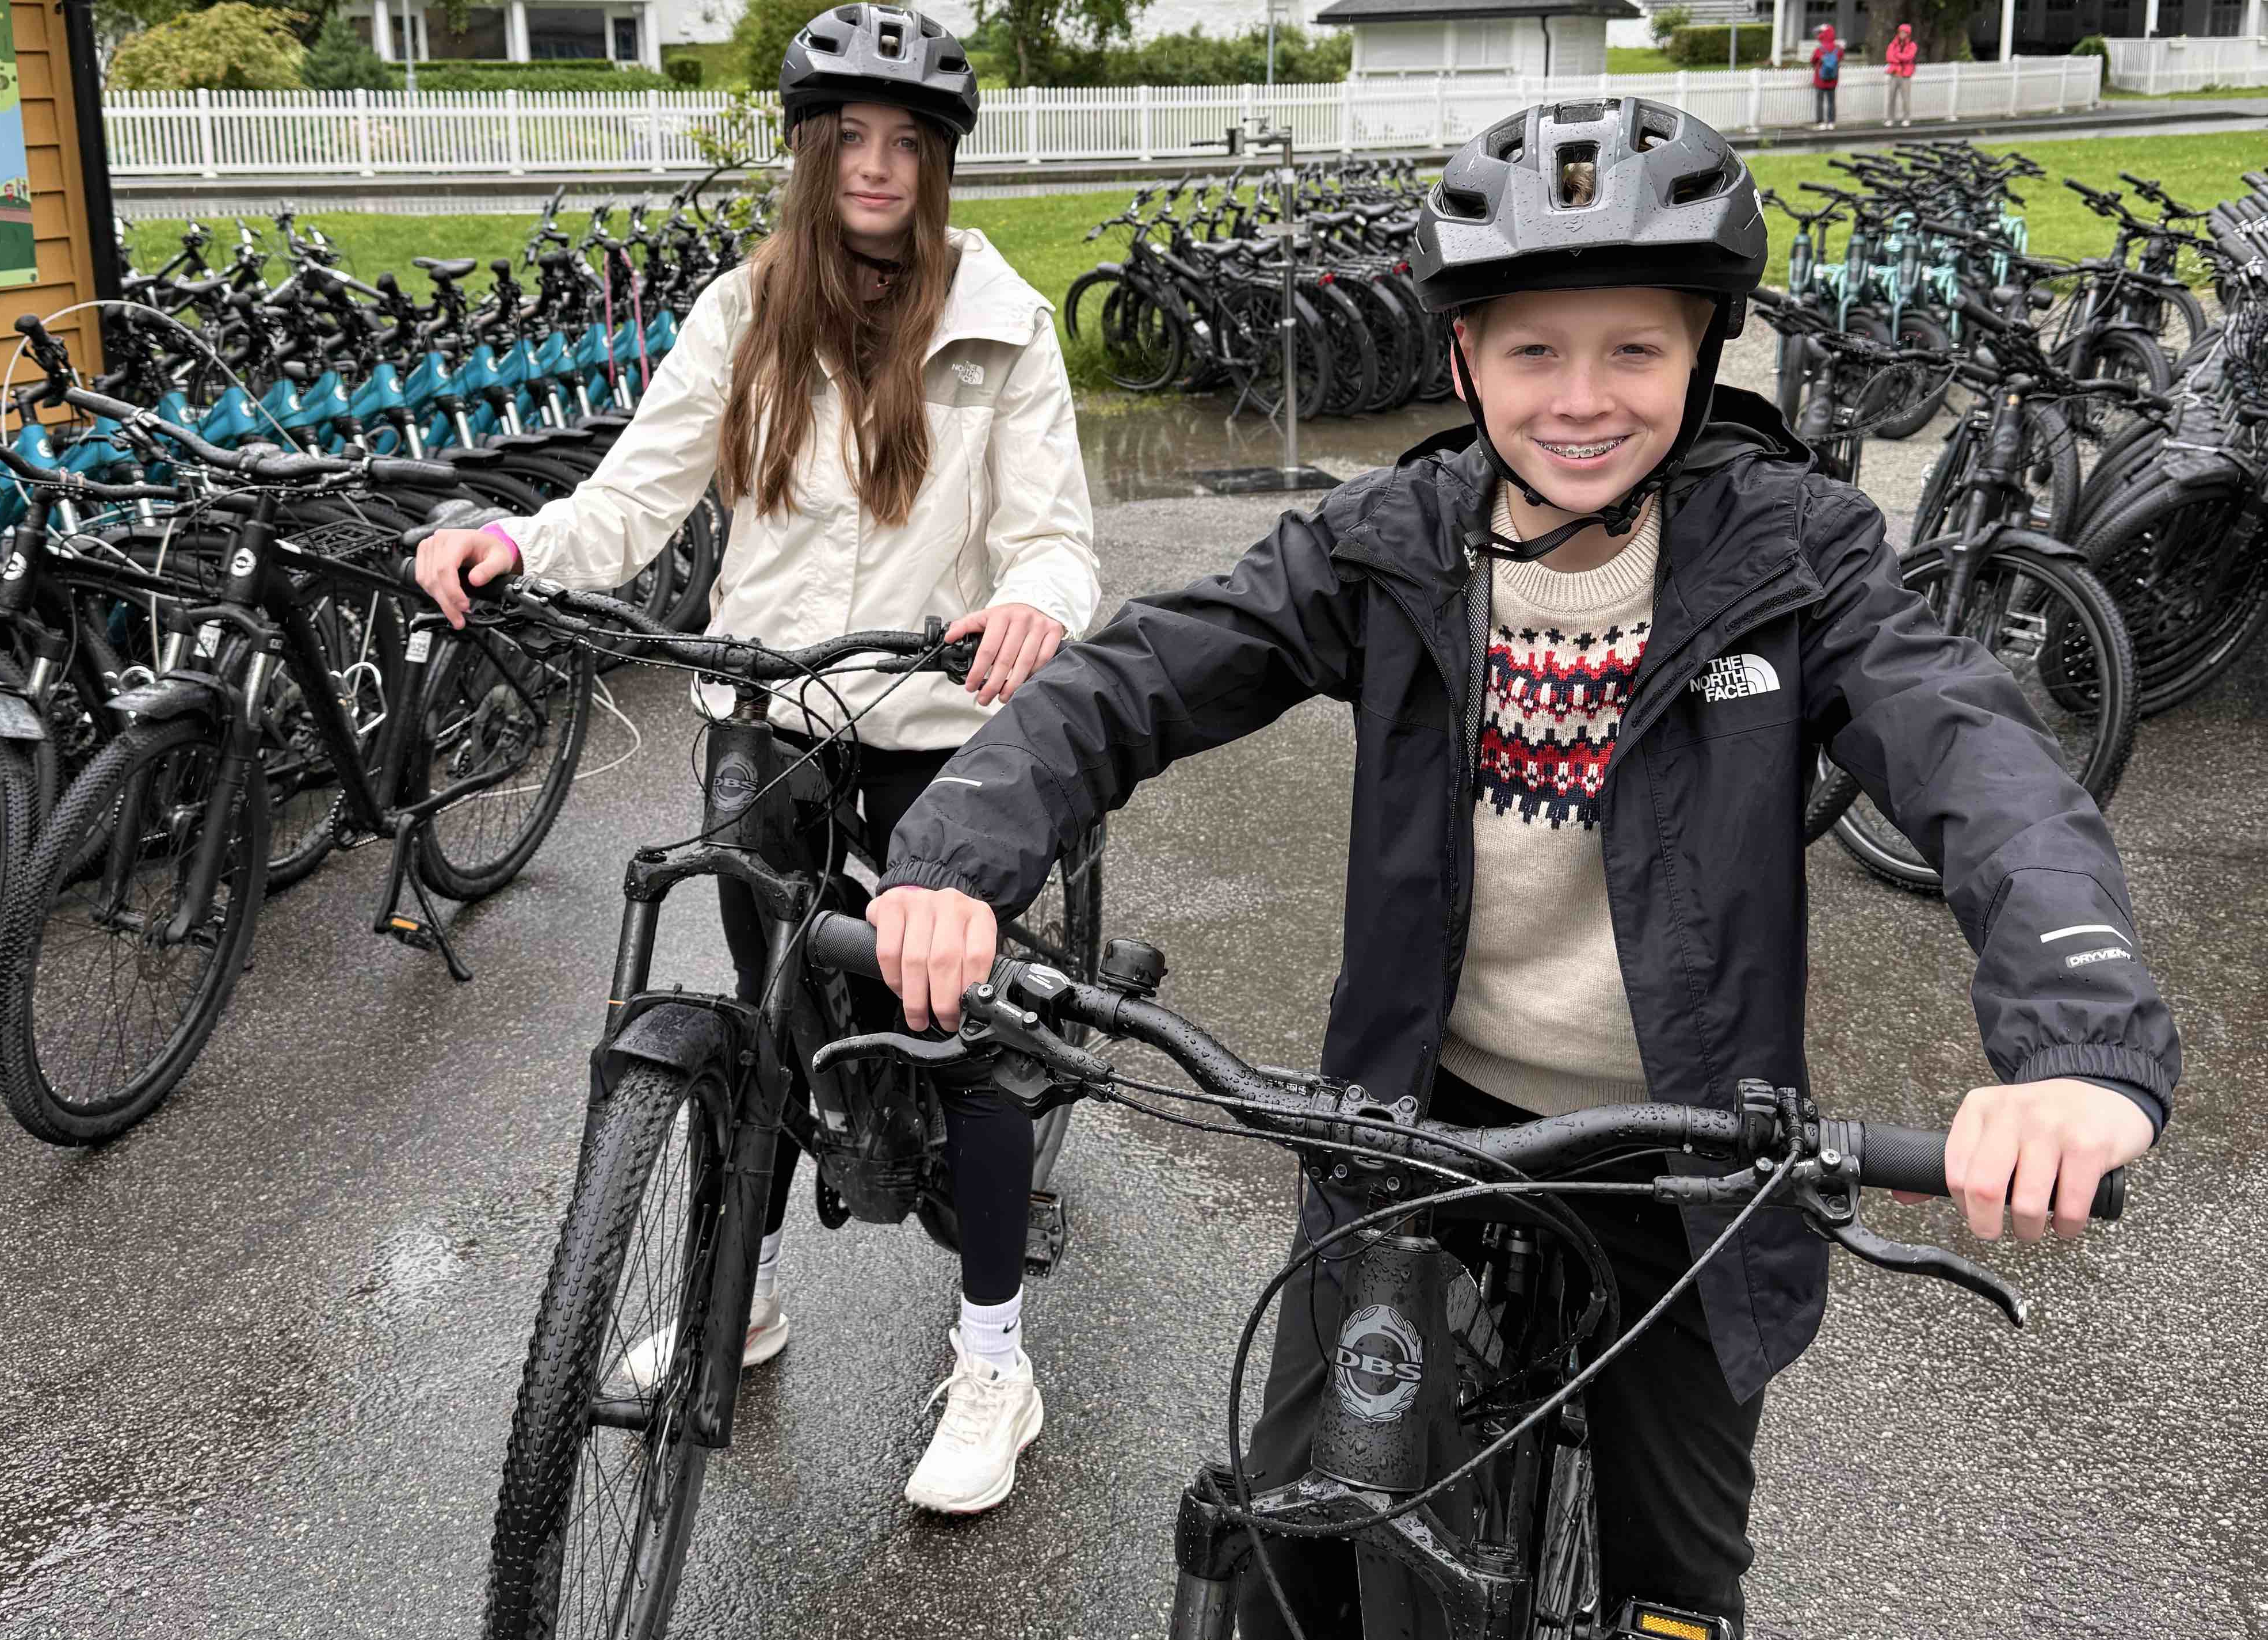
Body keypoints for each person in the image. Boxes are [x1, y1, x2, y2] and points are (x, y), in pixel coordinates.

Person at [861, 97, 2177, 1634]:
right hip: (1415, 1121)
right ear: (1464, 360)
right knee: (1291, 1538)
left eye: (1631, 349)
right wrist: (952, 857)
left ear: (1703, 352)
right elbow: (1141, 672)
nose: (1580, 400)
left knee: (1674, 1583)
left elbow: (1982, 767)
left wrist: (2074, 1041)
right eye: (1532, 352)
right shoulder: (1393, 542)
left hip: (1686, 1150)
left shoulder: (1793, 551)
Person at [412, 3, 1099, 1515]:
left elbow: (1056, 541)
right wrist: (512, 538)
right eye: (845, 137)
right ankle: (743, 1295)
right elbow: (628, 500)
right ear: (810, 152)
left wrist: (1032, 608)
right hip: (770, 727)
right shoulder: (743, 316)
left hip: (936, 743)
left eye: (901, 141)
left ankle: (993, 1357)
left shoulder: (1004, 322)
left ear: (933, 162)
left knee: (965, 1039)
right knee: (766, 1023)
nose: (872, 165)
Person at [1887, 22, 1919, 125]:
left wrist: (1897, 56)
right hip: (1895, 73)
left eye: (1904, 33)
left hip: (1905, 75)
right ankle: (1890, 119)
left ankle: (1906, 118)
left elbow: (1909, 57)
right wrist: (1900, 58)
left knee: (1906, 98)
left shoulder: (1912, 45)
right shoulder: (1893, 44)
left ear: (1908, 34)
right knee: (1891, 97)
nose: (1902, 34)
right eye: (1900, 32)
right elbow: (1889, 57)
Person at [1811, 22, 1843, 129]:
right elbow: (1840, 58)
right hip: (1833, 80)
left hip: (1820, 80)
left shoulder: (1819, 49)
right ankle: (1831, 122)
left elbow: (1813, 61)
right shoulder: (1838, 49)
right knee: (1831, 101)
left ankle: (1821, 122)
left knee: (1820, 101)